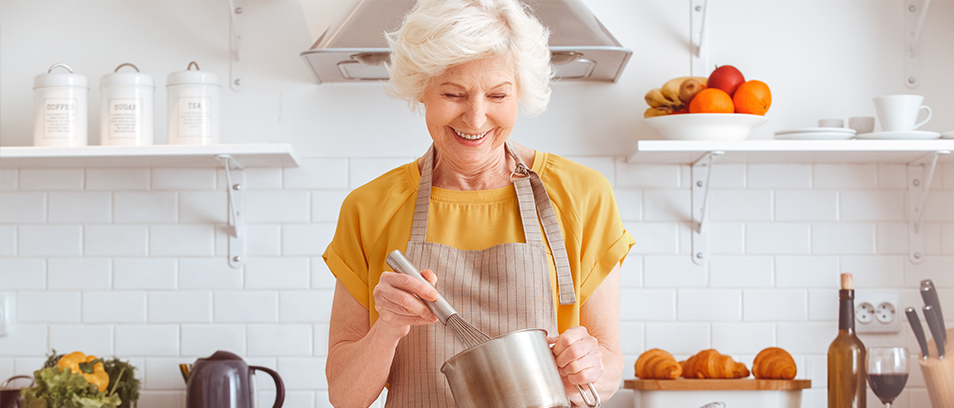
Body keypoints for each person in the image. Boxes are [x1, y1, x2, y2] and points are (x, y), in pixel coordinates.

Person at [322, 0, 635, 406]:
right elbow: (345, 396)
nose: (475, 118)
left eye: (498, 95)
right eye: (453, 93)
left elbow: (609, 367)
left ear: (520, 92)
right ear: (422, 89)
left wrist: (589, 365)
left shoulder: (582, 195)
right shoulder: (368, 208)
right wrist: (388, 327)